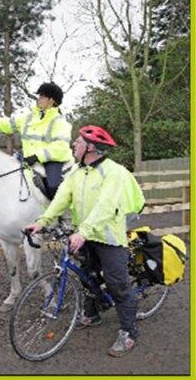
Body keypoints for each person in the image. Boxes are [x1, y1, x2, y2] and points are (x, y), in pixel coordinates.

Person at [23, 125, 145, 357]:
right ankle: (92, 314)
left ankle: (129, 332)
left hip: (109, 238)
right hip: (86, 235)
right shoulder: (76, 173)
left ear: (90, 147)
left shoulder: (114, 172)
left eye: (77, 142)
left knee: (117, 284)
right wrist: (42, 221)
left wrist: (83, 231)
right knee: (87, 275)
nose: (73, 145)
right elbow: (60, 199)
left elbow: (106, 206)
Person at [0, 82, 72, 199]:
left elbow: (60, 148)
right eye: (39, 96)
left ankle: (62, 216)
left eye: (42, 96)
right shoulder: (27, 118)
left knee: (53, 186)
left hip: (52, 161)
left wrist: (38, 157)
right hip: (28, 160)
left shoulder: (60, 122)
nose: (39, 99)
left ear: (51, 101)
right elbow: (6, 124)